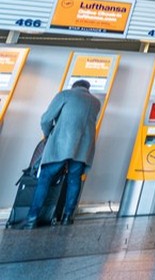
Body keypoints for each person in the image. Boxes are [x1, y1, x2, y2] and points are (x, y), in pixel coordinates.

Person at [22, 79, 101, 228]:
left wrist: (47, 135)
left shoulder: (65, 95)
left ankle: (32, 218)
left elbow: (46, 119)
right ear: (87, 88)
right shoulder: (96, 103)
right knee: (74, 180)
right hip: (82, 148)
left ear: (73, 86)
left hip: (61, 144)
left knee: (45, 178)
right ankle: (67, 217)